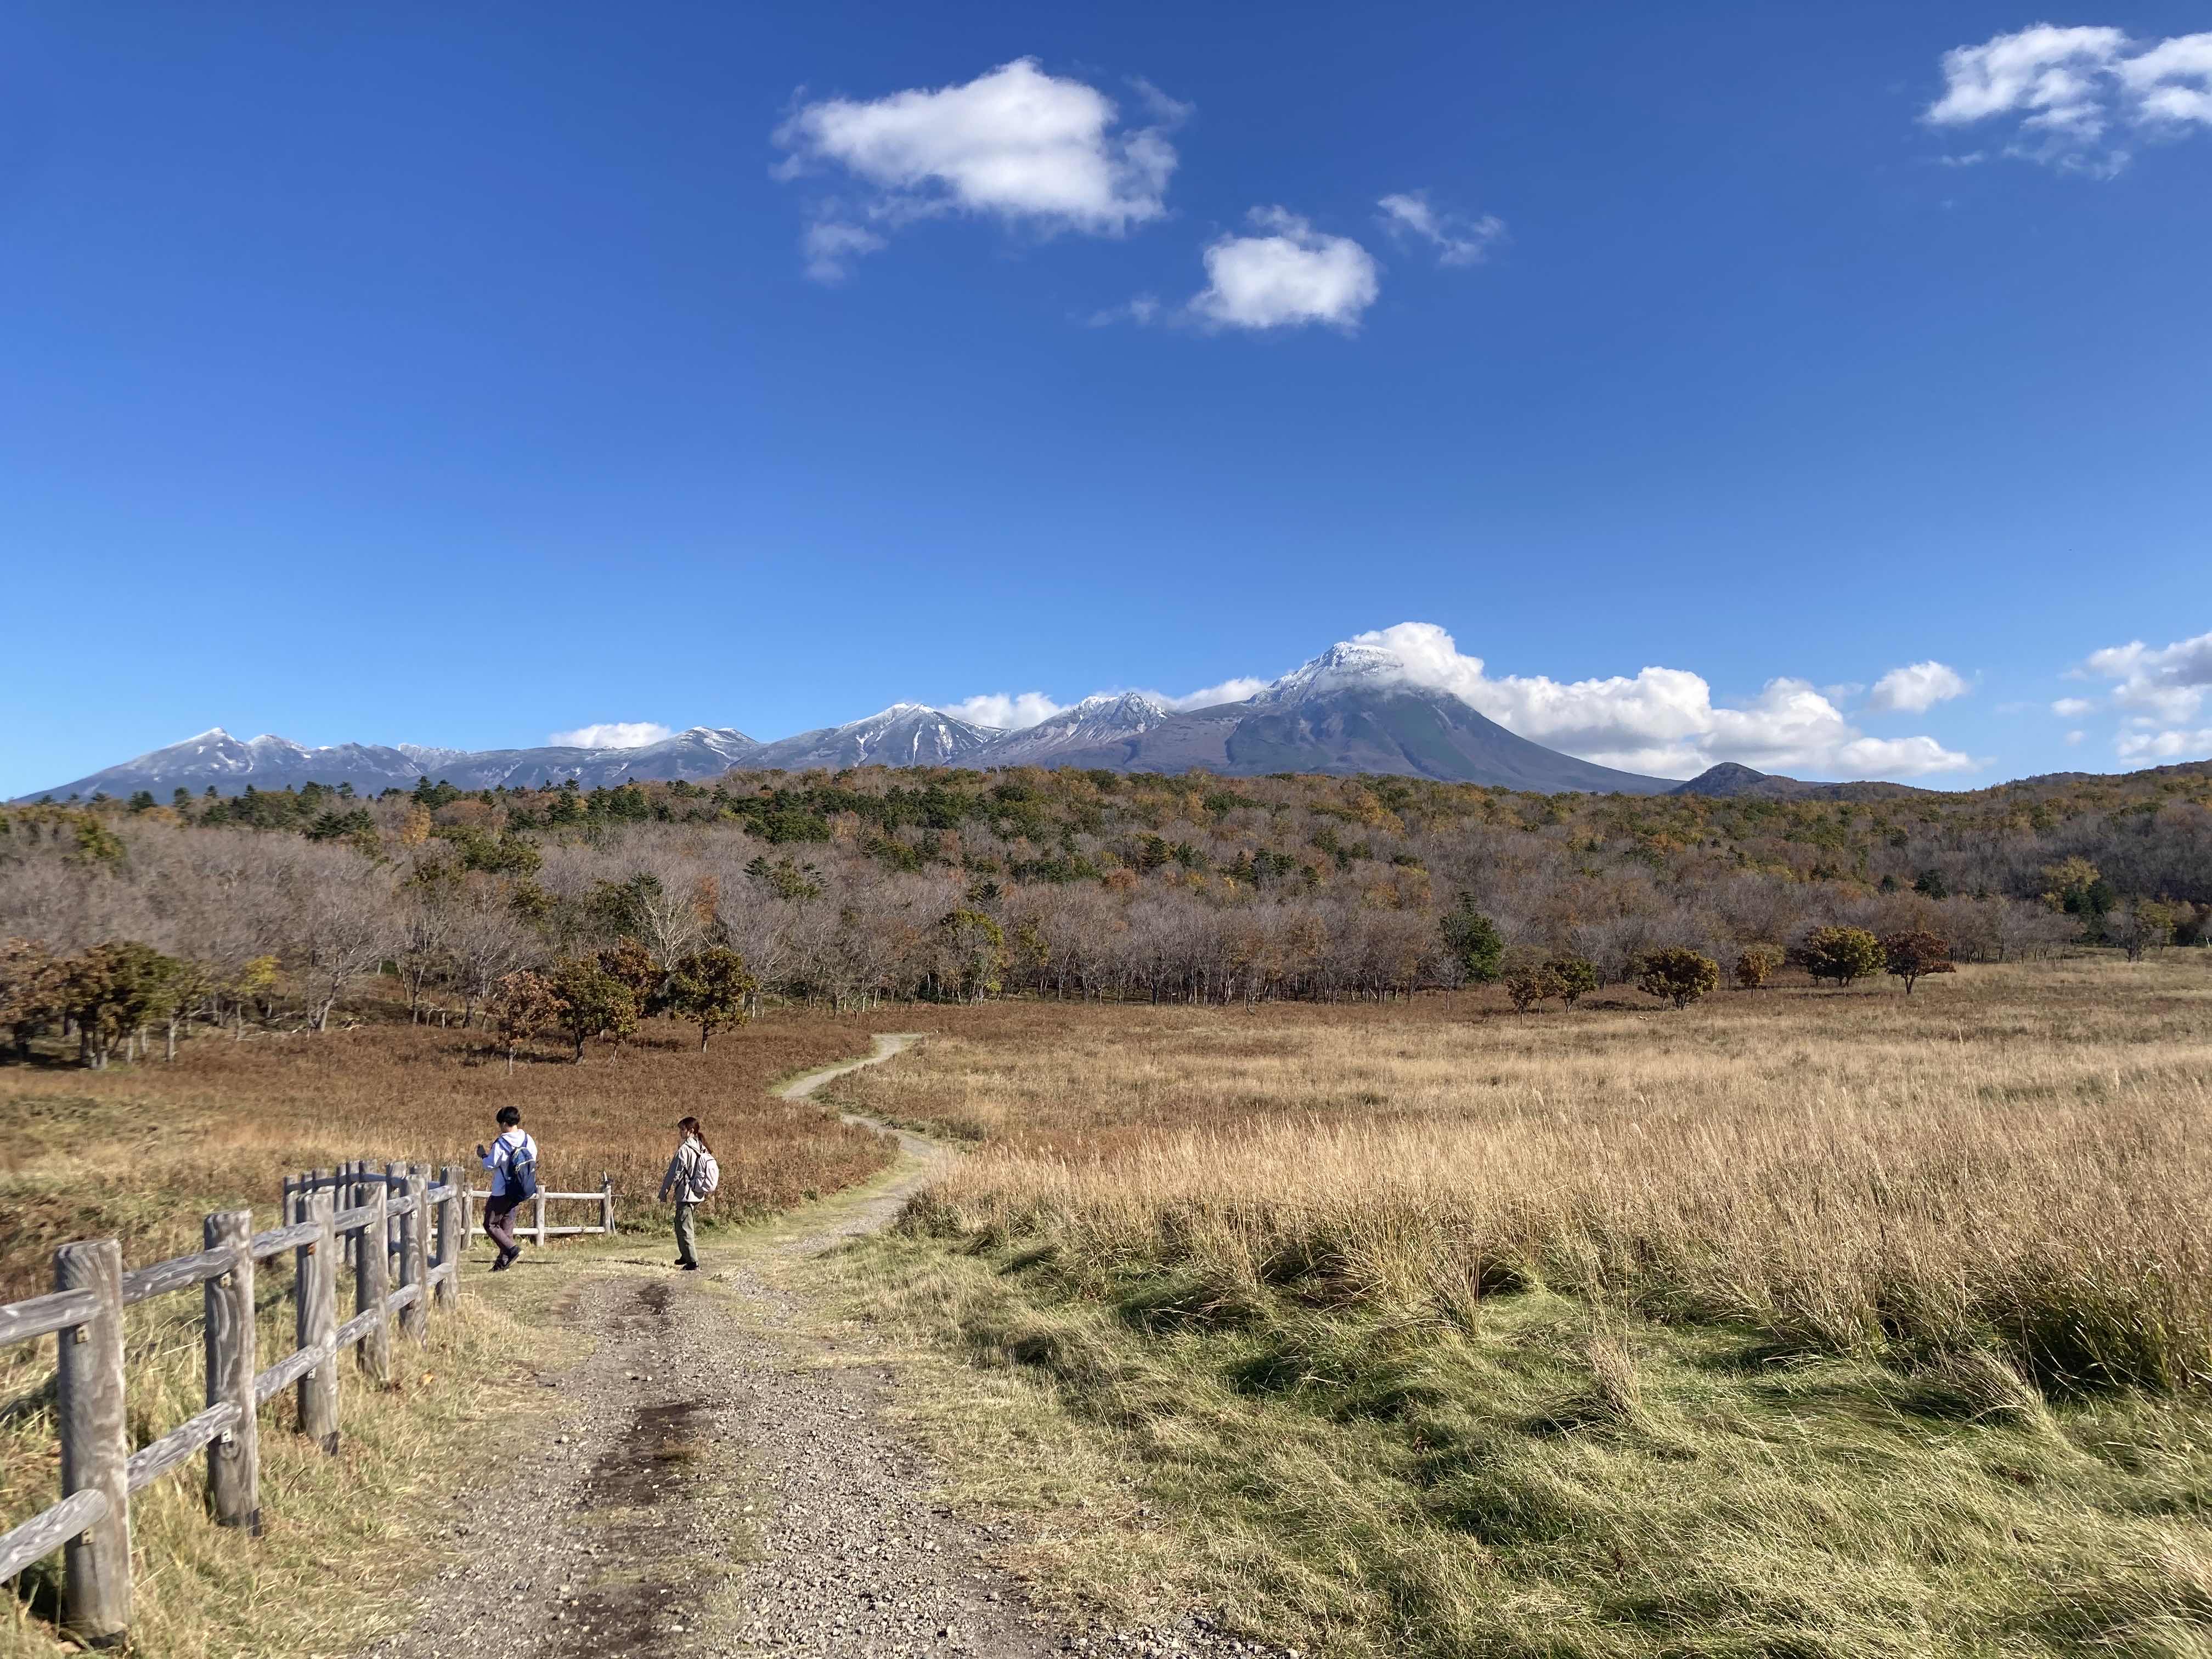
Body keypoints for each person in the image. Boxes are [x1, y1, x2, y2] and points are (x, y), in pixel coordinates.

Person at [476, 1105, 536, 1272]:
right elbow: (533, 1158)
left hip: (501, 1190)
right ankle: (502, 1264)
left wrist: (482, 1154)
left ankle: (512, 1250)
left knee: (491, 1224)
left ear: (503, 1124)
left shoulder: (501, 1143)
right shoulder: (528, 1139)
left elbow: (490, 1165)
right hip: (519, 1190)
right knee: (506, 1226)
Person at [657, 1116, 713, 1271]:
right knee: (680, 1224)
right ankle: (685, 1256)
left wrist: (664, 1192)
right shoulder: (702, 1147)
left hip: (686, 1193)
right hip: (697, 1193)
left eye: (682, 1129)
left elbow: (673, 1173)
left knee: (685, 1227)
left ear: (691, 1131)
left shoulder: (684, 1150)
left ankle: (692, 1262)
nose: (680, 1132)